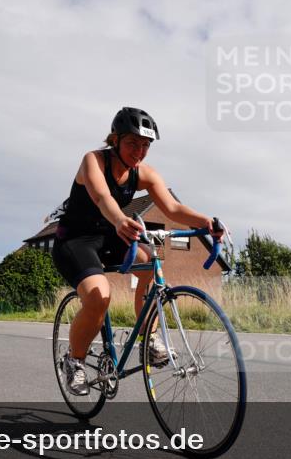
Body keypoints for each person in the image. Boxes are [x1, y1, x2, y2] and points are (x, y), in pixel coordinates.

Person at [51, 107, 224, 395]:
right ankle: (74, 360)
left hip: (110, 237)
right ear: (114, 140)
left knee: (150, 261)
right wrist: (120, 220)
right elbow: (102, 196)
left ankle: (149, 337)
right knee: (99, 295)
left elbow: (172, 207)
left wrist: (205, 222)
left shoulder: (144, 173)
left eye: (145, 145)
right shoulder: (93, 161)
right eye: (133, 143)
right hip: (75, 240)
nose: (139, 151)